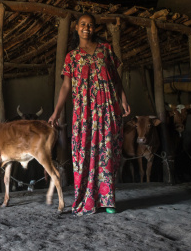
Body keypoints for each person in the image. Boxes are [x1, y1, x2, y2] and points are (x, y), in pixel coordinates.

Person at [48, 13, 131, 216]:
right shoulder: (72, 56)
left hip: (108, 109)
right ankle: (87, 201)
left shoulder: (106, 50)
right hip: (84, 112)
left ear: (95, 28)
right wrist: (56, 111)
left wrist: (123, 99)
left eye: (91, 25)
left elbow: (116, 78)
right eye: (83, 24)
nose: (87, 28)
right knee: (83, 154)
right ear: (76, 28)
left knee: (107, 152)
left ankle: (108, 199)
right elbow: (66, 86)